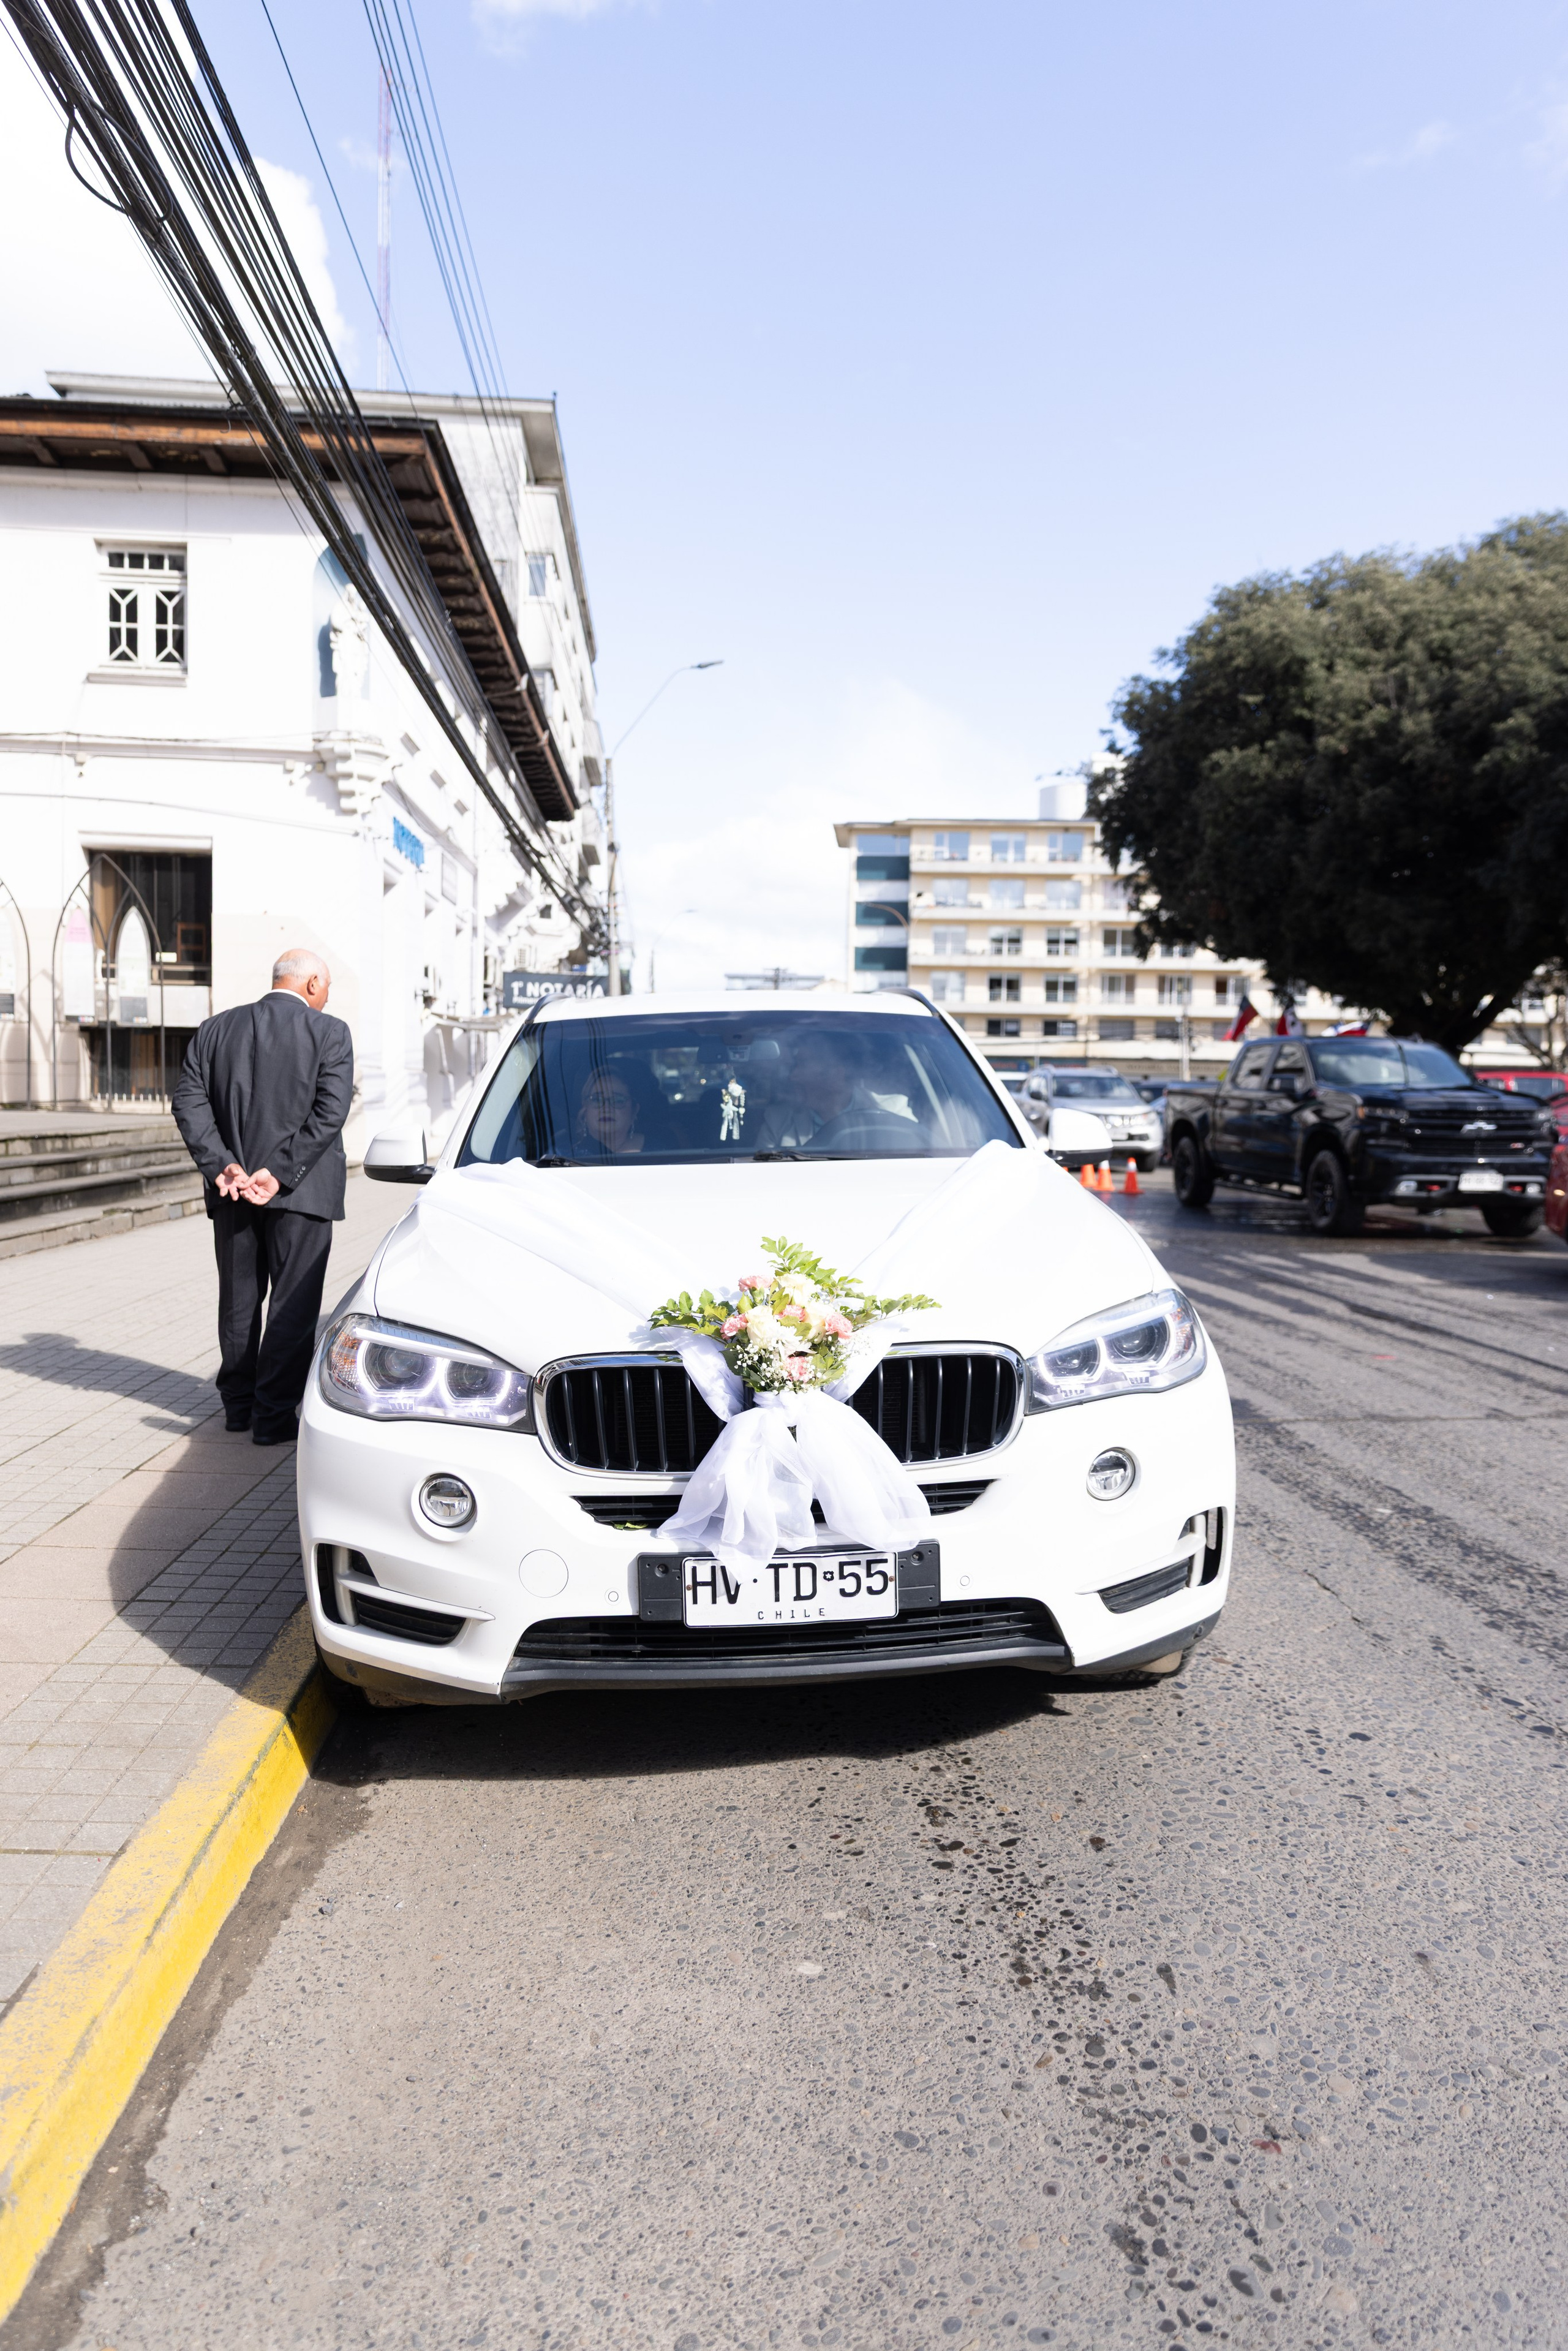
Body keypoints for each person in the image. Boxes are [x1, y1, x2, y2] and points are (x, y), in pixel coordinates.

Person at [172, 949, 353, 1444]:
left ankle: (238, 1408)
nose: (327, 996)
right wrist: (279, 1172)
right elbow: (330, 1111)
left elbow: (188, 1100)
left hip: (232, 1191)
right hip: (301, 1191)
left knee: (238, 1300)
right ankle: (273, 1418)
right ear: (313, 982)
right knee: (292, 1304)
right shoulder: (330, 1033)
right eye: (328, 986)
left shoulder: (214, 1030)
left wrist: (222, 1165)